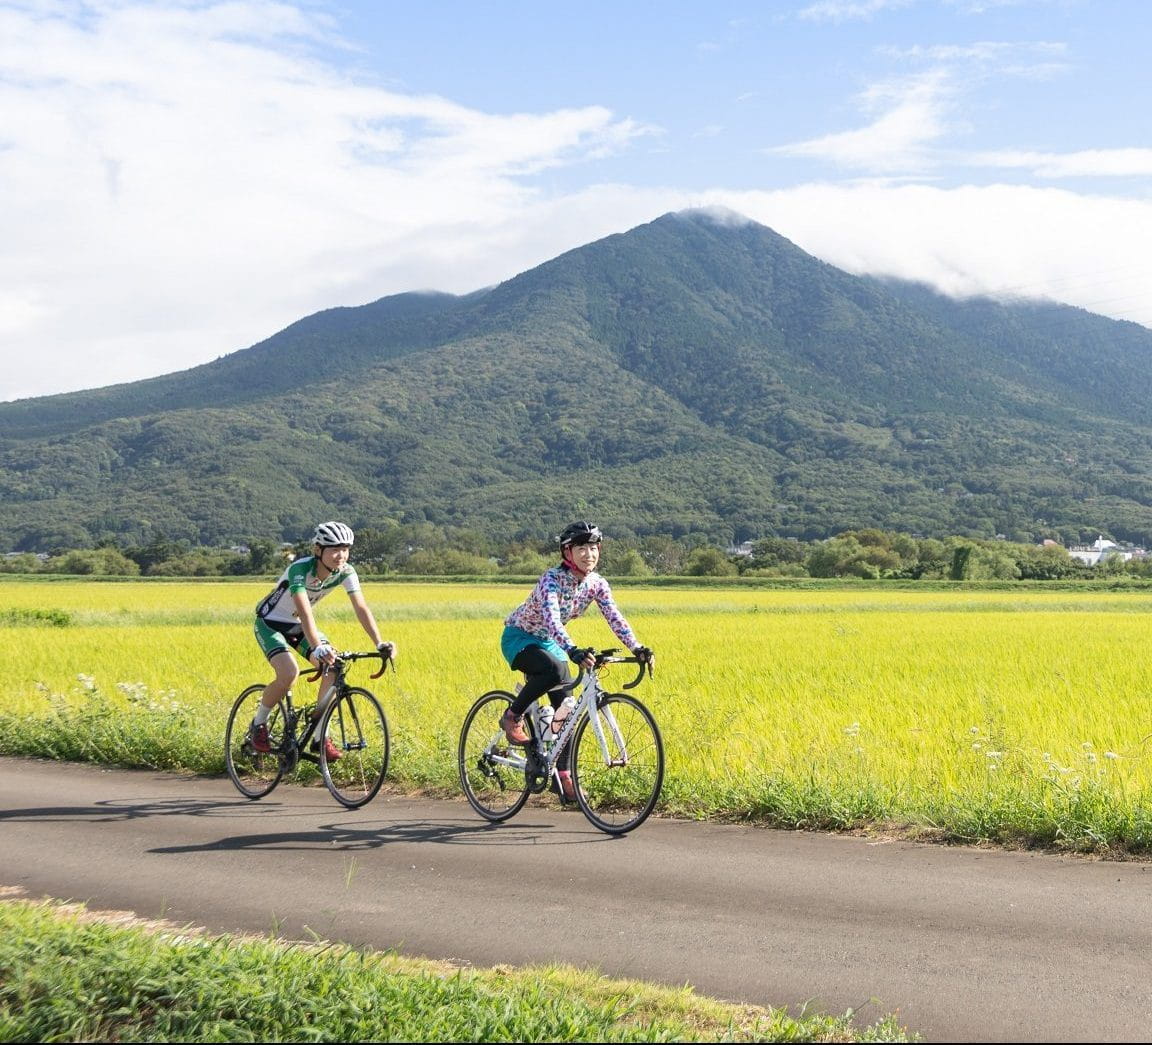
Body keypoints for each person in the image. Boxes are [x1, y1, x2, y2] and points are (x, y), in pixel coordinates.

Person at [500, 521, 654, 800]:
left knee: (567, 711)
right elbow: (552, 619)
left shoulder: (597, 584)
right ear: (567, 552)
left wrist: (637, 647)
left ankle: (563, 778)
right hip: (520, 637)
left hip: (551, 642)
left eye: (593, 548)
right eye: (581, 548)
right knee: (554, 669)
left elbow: (614, 617)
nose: (589, 554)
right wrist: (573, 650)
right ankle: (512, 716)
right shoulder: (551, 579)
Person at [248, 521, 395, 759]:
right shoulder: (300, 570)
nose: (341, 555)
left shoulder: (346, 571)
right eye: (334, 549)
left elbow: (361, 607)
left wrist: (379, 643)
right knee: (289, 673)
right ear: (318, 550)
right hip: (270, 623)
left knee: (334, 668)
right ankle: (259, 724)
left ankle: (319, 736)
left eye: (345, 549)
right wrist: (317, 647)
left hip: (298, 625)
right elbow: (305, 611)